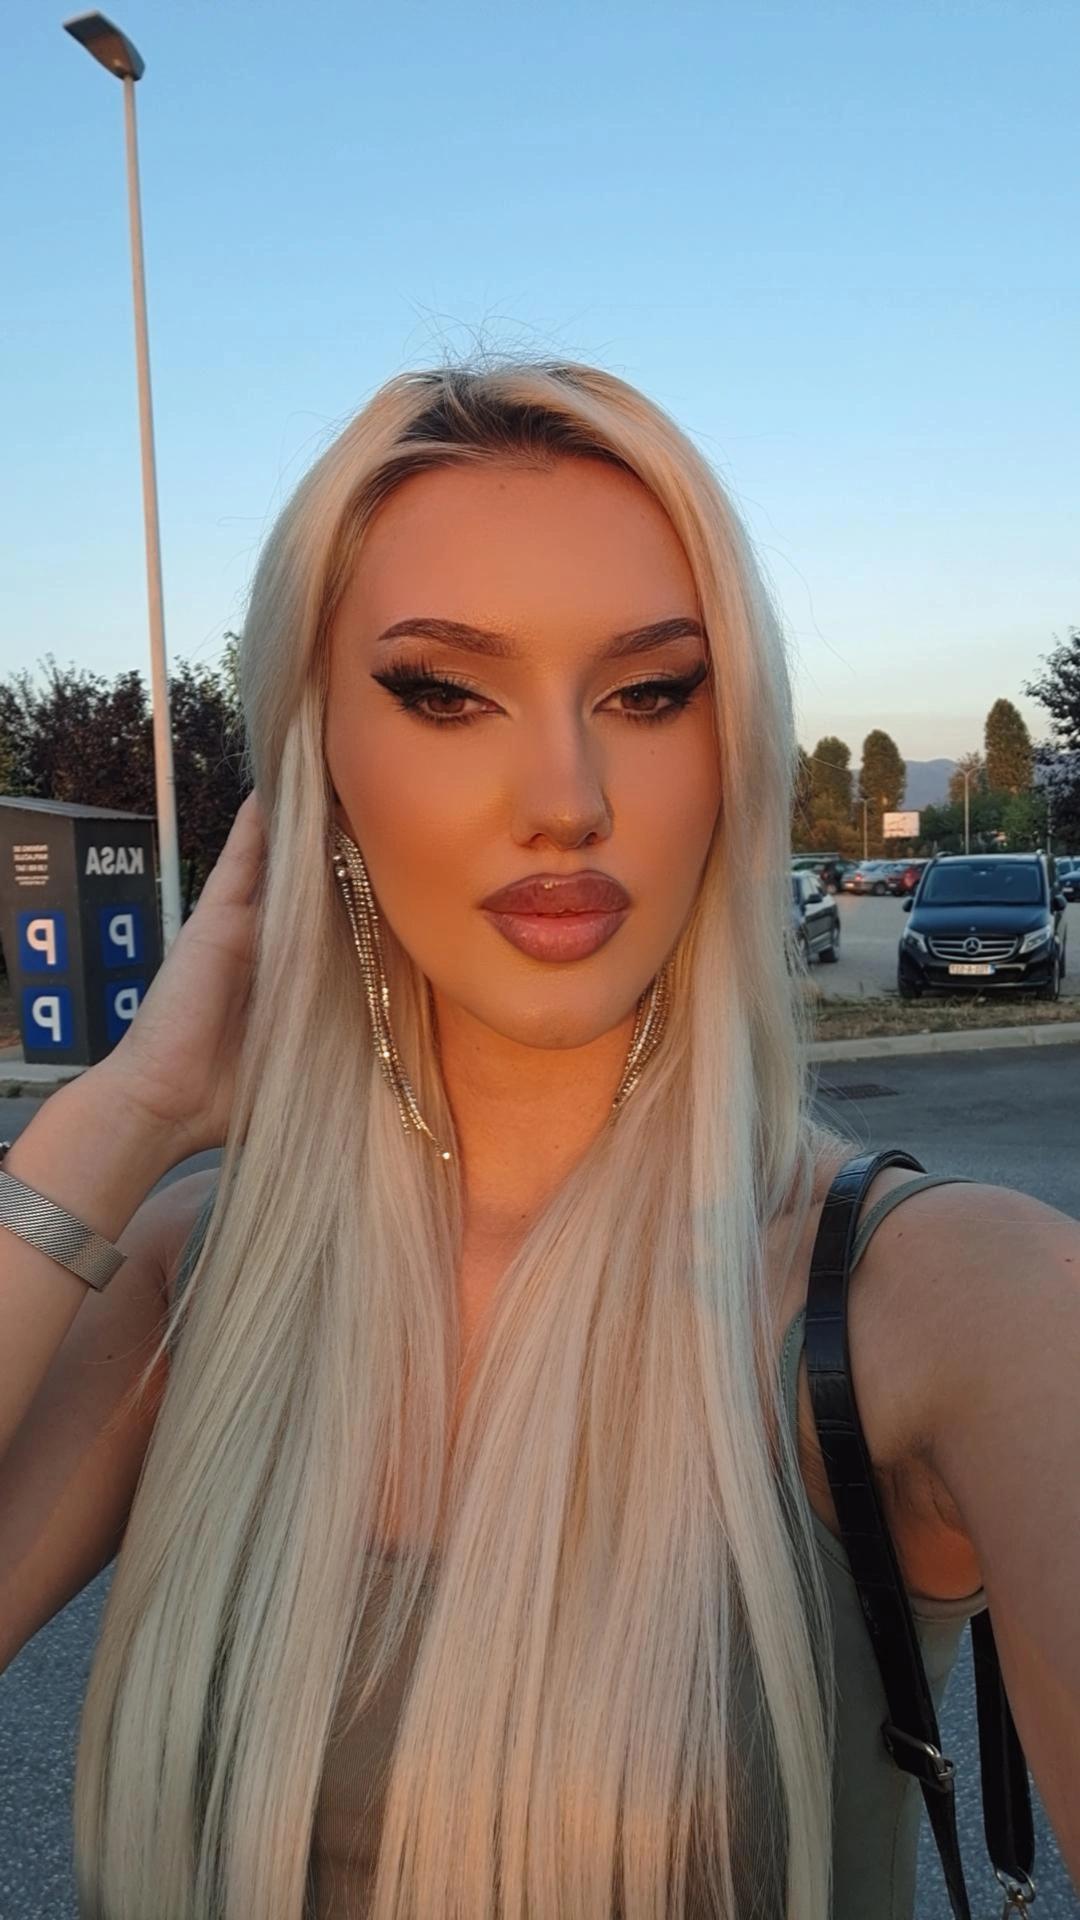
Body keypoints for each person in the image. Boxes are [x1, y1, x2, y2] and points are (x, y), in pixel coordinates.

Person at [0, 357, 1077, 1920]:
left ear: (733, 748)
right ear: (313, 770)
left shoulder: (945, 1300)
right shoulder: (193, 1275)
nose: (566, 798)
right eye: (445, 693)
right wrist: (127, 1109)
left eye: (650, 692)